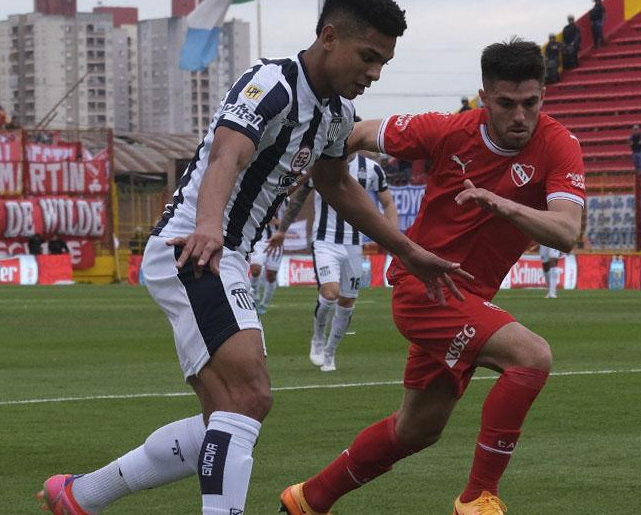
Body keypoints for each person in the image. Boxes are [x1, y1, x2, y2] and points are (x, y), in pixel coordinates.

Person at [36, 3, 469, 515]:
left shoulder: (335, 115)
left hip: (225, 253)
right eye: (368, 57)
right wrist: (208, 227)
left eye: (383, 64)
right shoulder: (272, 83)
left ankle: (80, 496)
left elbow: (335, 184)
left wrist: (409, 250)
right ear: (330, 37)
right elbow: (229, 153)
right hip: (195, 247)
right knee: (250, 396)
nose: (374, 74)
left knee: (226, 418)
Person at [278, 38, 585, 515]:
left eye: (531, 103)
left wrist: (501, 203)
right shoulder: (446, 131)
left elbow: (567, 231)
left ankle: (307, 499)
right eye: (506, 104)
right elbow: (358, 133)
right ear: (485, 97)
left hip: (468, 300)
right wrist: (309, 162)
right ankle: (477, 499)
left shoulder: (559, 144)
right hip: (424, 288)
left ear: (543, 96)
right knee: (532, 357)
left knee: (415, 431)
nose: (520, 116)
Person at [270, 150, 397, 371]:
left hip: (354, 244)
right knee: (330, 293)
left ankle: (330, 351)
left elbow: (388, 203)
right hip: (325, 240)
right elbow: (299, 198)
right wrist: (282, 230)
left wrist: (393, 235)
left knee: (347, 302)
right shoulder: (322, 164)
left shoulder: (372, 169)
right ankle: (318, 339)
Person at [248, 212, 285, 315]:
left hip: (276, 242)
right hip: (259, 240)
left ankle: (265, 304)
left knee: (271, 276)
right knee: (255, 269)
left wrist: (278, 222)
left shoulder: (286, 201)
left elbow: (290, 220)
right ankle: (255, 296)